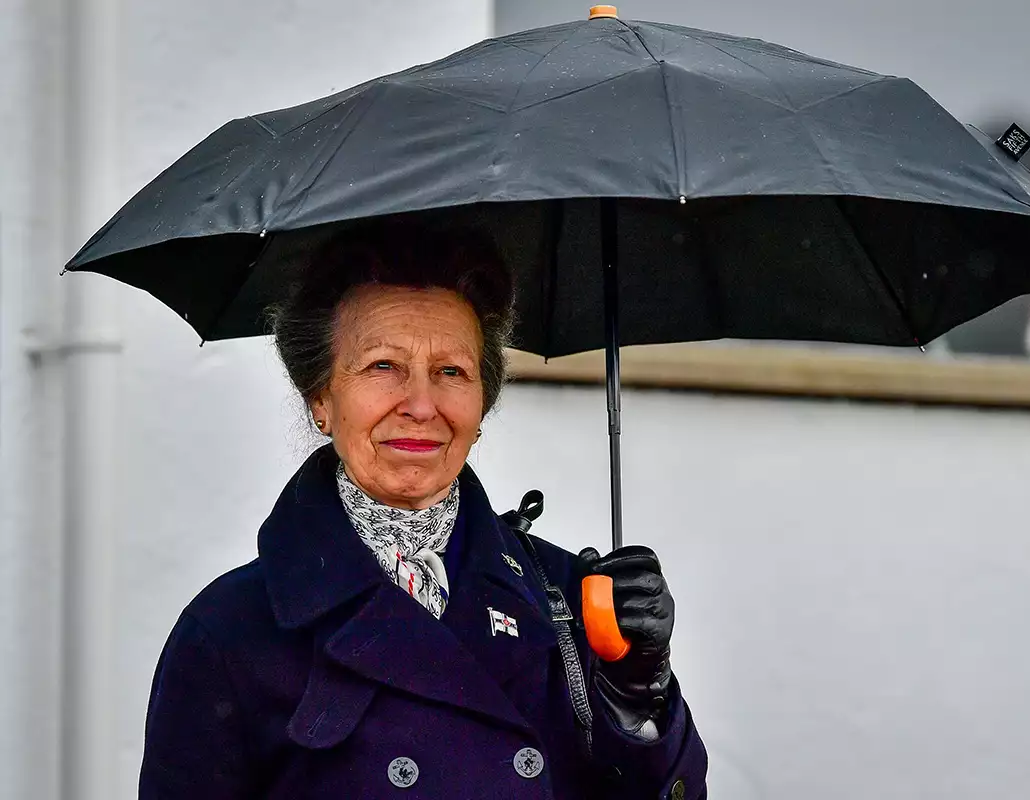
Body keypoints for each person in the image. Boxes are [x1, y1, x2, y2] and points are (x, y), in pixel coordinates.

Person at [138, 220, 707, 799]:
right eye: (383, 366)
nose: (420, 404)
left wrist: (640, 701)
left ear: (481, 404)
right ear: (321, 399)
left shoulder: (567, 600)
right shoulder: (230, 633)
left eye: (451, 372)